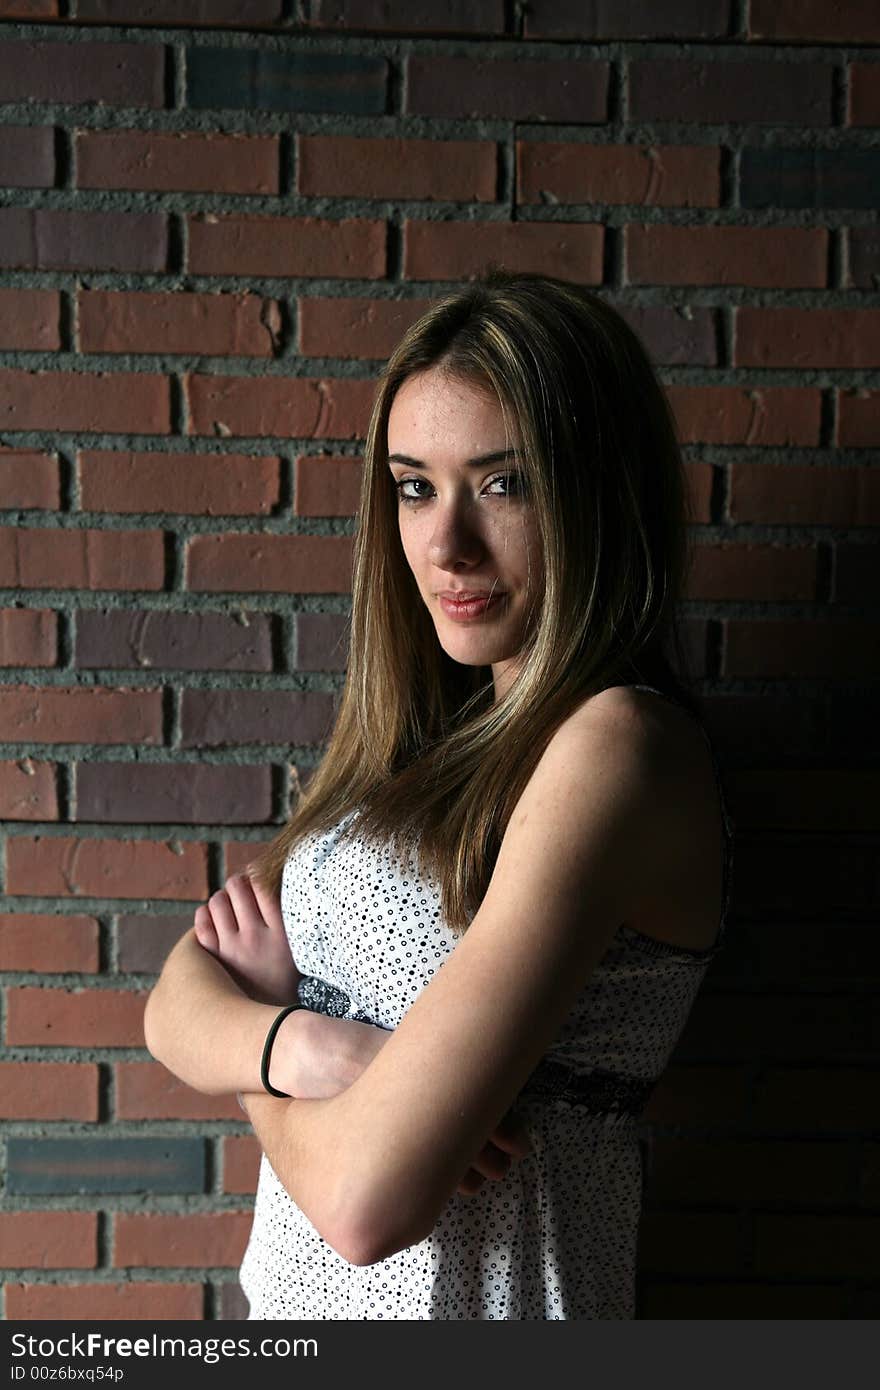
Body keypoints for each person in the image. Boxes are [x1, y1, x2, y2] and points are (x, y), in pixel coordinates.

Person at [145, 270, 735, 1320]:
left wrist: (265, 1035)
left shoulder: (615, 749)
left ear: (596, 494)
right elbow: (172, 1003)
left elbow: (366, 1200)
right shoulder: (423, 746)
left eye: (502, 484)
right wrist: (318, 1051)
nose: (443, 543)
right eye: (414, 485)